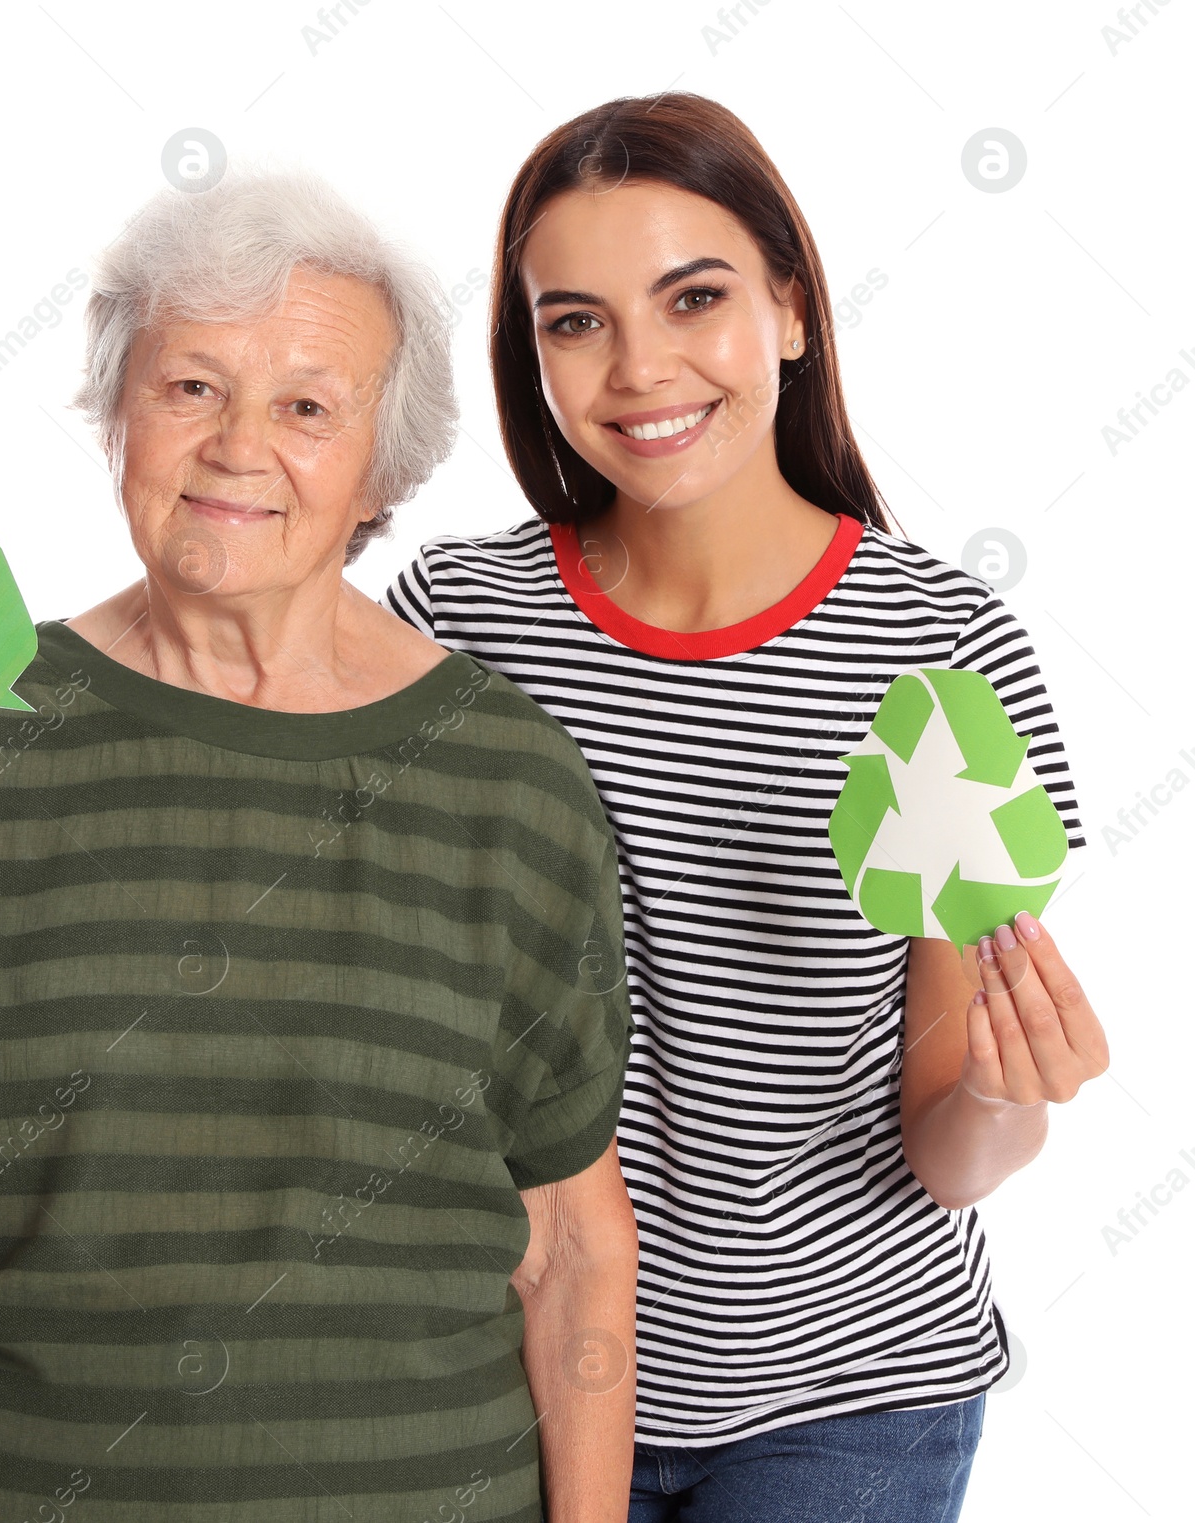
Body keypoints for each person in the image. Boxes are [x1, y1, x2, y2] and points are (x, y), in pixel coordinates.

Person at [0, 170, 641, 1522]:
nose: (236, 447)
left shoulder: (508, 780)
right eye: (191, 388)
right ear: (117, 417)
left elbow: (569, 1251)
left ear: (382, 464)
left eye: (307, 407)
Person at [383, 93, 1110, 1523]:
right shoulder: (463, 622)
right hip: (512, 1367)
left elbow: (951, 1154)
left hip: (846, 1403)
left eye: (693, 298)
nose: (638, 366)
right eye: (574, 321)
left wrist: (1005, 1096)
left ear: (789, 308)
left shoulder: (942, 650)